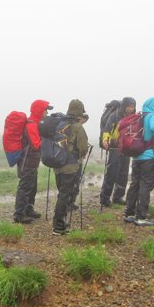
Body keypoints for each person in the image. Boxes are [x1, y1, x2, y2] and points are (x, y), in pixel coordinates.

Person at [123, 97, 154, 227]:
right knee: (146, 185)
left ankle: (129, 214)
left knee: (135, 184)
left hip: (137, 156)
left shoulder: (140, 117)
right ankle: (141, 217)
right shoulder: (153, 116)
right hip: (150, 156)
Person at [52, 99, 89, 235]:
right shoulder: (77, 126)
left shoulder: (60, 124)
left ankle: (59, 222)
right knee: (65, 195)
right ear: (80, 111)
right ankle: (58, 226)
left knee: (62, 193)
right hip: (71, 166)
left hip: (57, 164)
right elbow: (83, 147)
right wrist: (81, 154)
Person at [13, 99, 53, 224]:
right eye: (45, 110)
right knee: (25, 187)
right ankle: (19, 214)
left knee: (32, 187)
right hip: (27, 161)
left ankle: (29, 210)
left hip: (32, 161)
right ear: (39, 110)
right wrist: (48, 142)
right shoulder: (31, 125)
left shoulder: (36, 124)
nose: (47, 112)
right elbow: (36, 145)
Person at [99, 97, 136, 207]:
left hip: (126, 148)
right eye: (129, 106)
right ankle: (105, 198)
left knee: (123, 173)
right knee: (112, 172)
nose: (131, 108)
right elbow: (106, 130)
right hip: (114, 147)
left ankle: (118, 197)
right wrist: (105, 141)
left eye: (132, 106)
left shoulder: (133, 117)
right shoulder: (114, 116)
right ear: (124, 106)